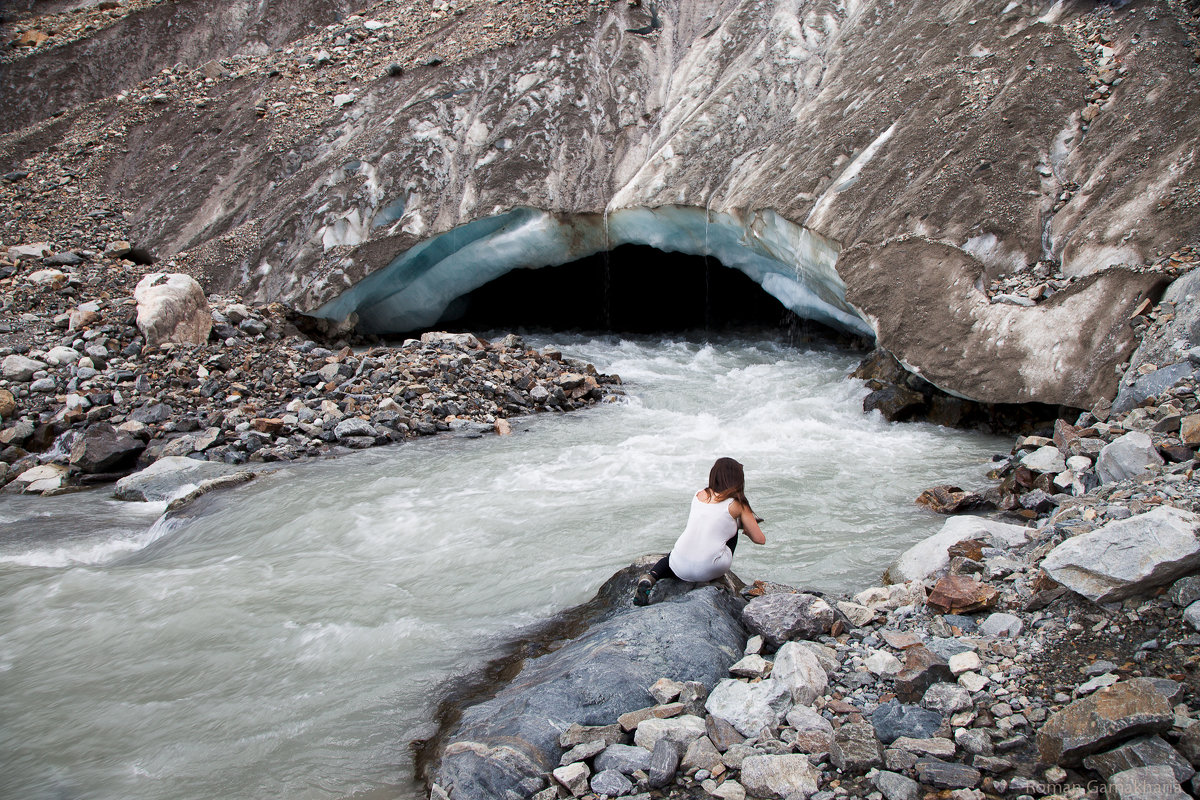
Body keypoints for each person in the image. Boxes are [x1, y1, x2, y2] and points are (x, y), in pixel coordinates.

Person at [634, 457, 766, 606]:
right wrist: (745, 528)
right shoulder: (738, 504)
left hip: (679, 564)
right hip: (709, 569)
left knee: (675, 555)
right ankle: (717, 578)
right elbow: (760, 539)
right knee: (731, 528)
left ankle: (650, 577)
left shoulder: (699, 495)